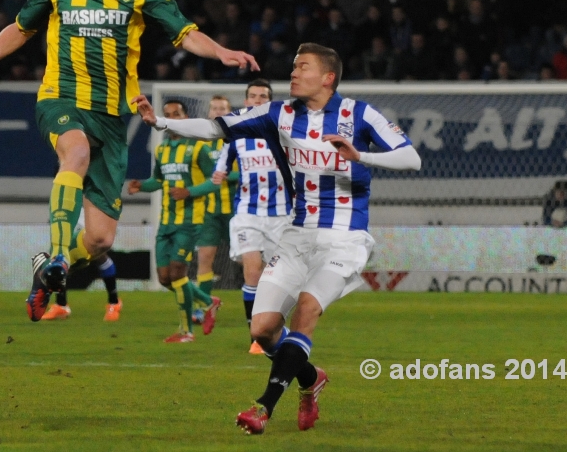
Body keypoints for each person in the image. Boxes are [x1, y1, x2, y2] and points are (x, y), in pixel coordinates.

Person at [0, 0, 258, 322]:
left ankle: (46, 274)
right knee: (74, 154)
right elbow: (22, 27)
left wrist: (221, 51)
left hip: (112, 117)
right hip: (62, 99)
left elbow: (185, 32)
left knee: (99, 240)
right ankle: (56, 254)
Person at [133, 43, 421, 433]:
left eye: (303, 67)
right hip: (296, 235)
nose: (293, 73)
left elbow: (410, 158)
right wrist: (162, 124)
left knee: (305, 309)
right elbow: (218, 127)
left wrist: (361, 156)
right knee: (262, 329)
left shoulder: (359, 114)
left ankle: (262, 407)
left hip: (344, 238)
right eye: (293, 66)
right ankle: (309, 379)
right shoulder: (279, 113)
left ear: (328, 77)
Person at [127, 100, 222, 342]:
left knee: (178, 273)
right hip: (166, 222)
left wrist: (189, 192)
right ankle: (208, 301)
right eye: (167, 115)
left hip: (190, 220)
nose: (172, 118)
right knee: (164, 278)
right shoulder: (163, 149)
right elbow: (158, 180)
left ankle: (186, 331)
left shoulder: (200, 148)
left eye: (176, 114)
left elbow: (214, 181)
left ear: (186, 117)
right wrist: (142, 186)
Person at [211, 79, 292, 355]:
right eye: (253, 96)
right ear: (246, 101)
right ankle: (254, 337)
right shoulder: (237, 135)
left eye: (263, 96)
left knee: (278, 277)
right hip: (248, 213)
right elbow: (221, 164)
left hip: (282, 215)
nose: (257, 100)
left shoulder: (283, 131)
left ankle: (273, 329)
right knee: (253, 271)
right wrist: (219, 174)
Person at [191, 95, 237, 323]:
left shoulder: (238, 139)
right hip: (210, 211)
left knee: (252, 261)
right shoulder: (200, 145)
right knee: (205, 258)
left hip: (237, 211)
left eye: (222, 108)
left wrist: (225, 175)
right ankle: (203, 306)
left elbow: (248, 171)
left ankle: (266, 306)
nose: (218, 112)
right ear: (209, 113)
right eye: (214, 108)